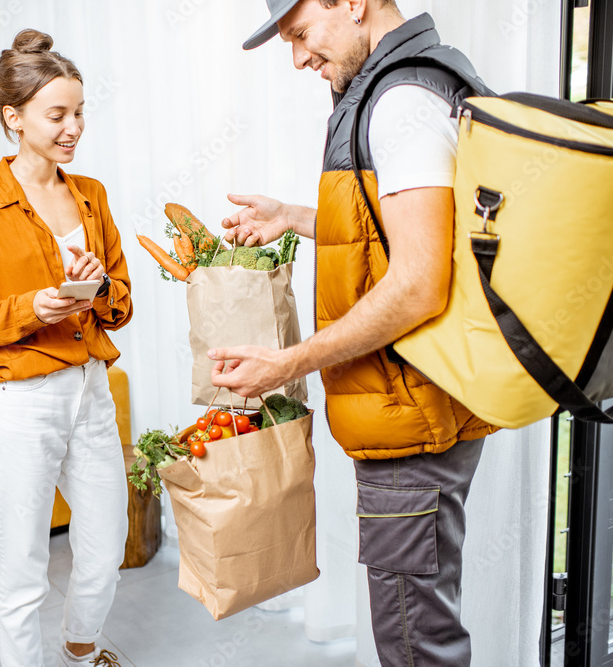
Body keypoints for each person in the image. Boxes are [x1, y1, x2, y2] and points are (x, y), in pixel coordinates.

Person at [211, 1, 499, 665]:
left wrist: (289, 363)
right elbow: (397, 232)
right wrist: (295, 215)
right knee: (416, 626)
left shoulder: (399, 100)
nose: (299, 58)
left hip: (411, 421)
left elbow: (418, 281)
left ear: (351, 3)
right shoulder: (400, 85)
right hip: (415, 407)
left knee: (414, 642)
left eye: (302, 34)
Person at [0, 29, 130, 667]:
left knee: (105, 545)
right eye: (57, 115)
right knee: (22, 567)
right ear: (12, 118)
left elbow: (121, 301)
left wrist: (96, 289)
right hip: (19, 401)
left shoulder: (91, 196)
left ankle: (79, 649)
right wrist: (32, 308)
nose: (73, 127)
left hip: (89, 392)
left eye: (79, 112)